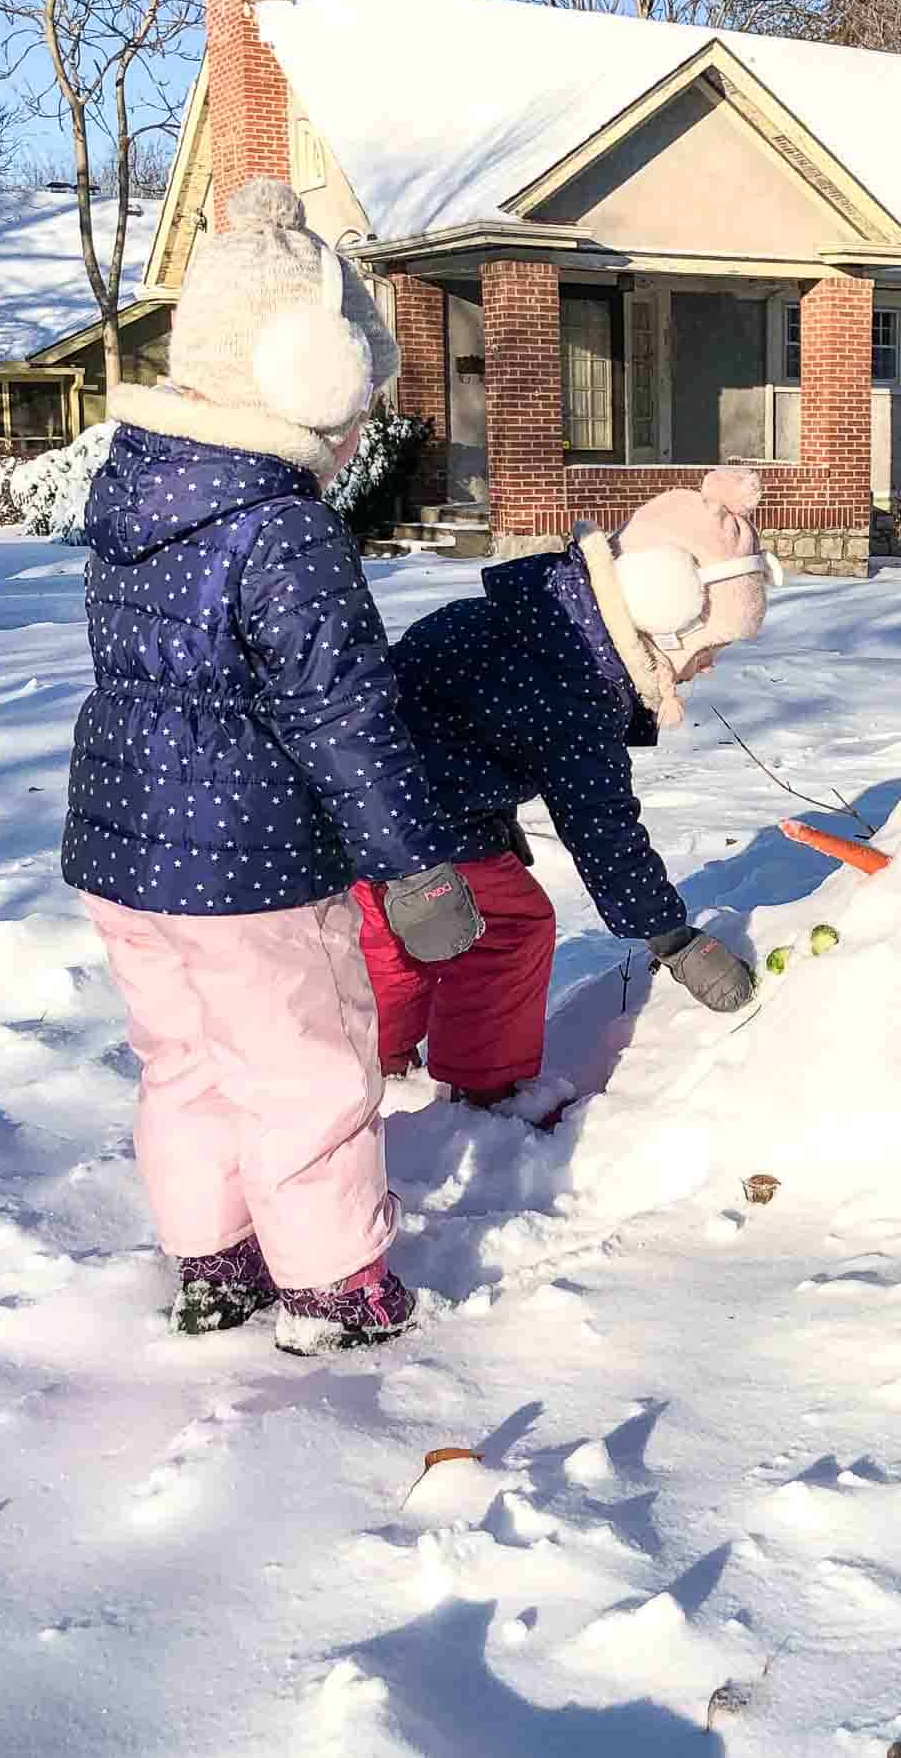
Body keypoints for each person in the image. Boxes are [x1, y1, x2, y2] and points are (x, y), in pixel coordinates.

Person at [63, 177, 481, 1356]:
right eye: (359, 402)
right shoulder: (283, 526)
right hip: (248, 860)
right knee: (301, 1069)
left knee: (185, 1062)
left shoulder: (137, 489)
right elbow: (345, 713)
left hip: (123, 844)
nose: (360, 438)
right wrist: (415, 868)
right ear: (310, 375)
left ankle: (214, 1260)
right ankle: (333, 1284)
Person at [353, 467, 781, 1113]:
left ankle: (375, 1055)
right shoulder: (577, 681)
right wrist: (672, 938)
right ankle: (472, 1090)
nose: (709, 664)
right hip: (410, 807)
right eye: (709, 645)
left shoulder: (558, 621)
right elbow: (605, 833)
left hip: (378, 792)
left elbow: (474, 718)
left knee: (402, 927)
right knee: (503, 927)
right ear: (667, 610)